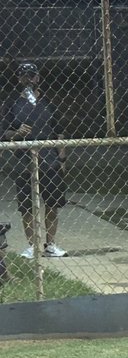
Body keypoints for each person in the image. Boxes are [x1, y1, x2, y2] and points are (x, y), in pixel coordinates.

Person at [2, 62, 68, 258]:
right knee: (27, 206)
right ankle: (32, 245)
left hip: (49, 160)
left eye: (31, 75)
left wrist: (62, 159)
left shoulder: (48, 103)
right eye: (24, 76)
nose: (28, 79)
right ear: (18, 79)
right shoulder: (12, 104)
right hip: (24, 161)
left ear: (38, 77)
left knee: (52, 204)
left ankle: (50, 244)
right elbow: (4, 133)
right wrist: (17, 133)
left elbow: (59, 133)